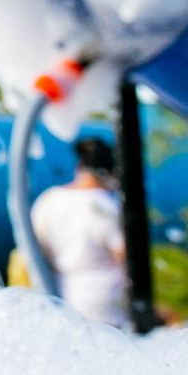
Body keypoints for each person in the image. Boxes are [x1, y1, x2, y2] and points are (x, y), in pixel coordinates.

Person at [29, 135, 128, 325]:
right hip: (104, 303)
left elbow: (37, 250)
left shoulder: (48, 199)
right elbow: (123, 256)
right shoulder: (104, 206)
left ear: (79, 167)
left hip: (60, 295)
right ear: (111, 174)